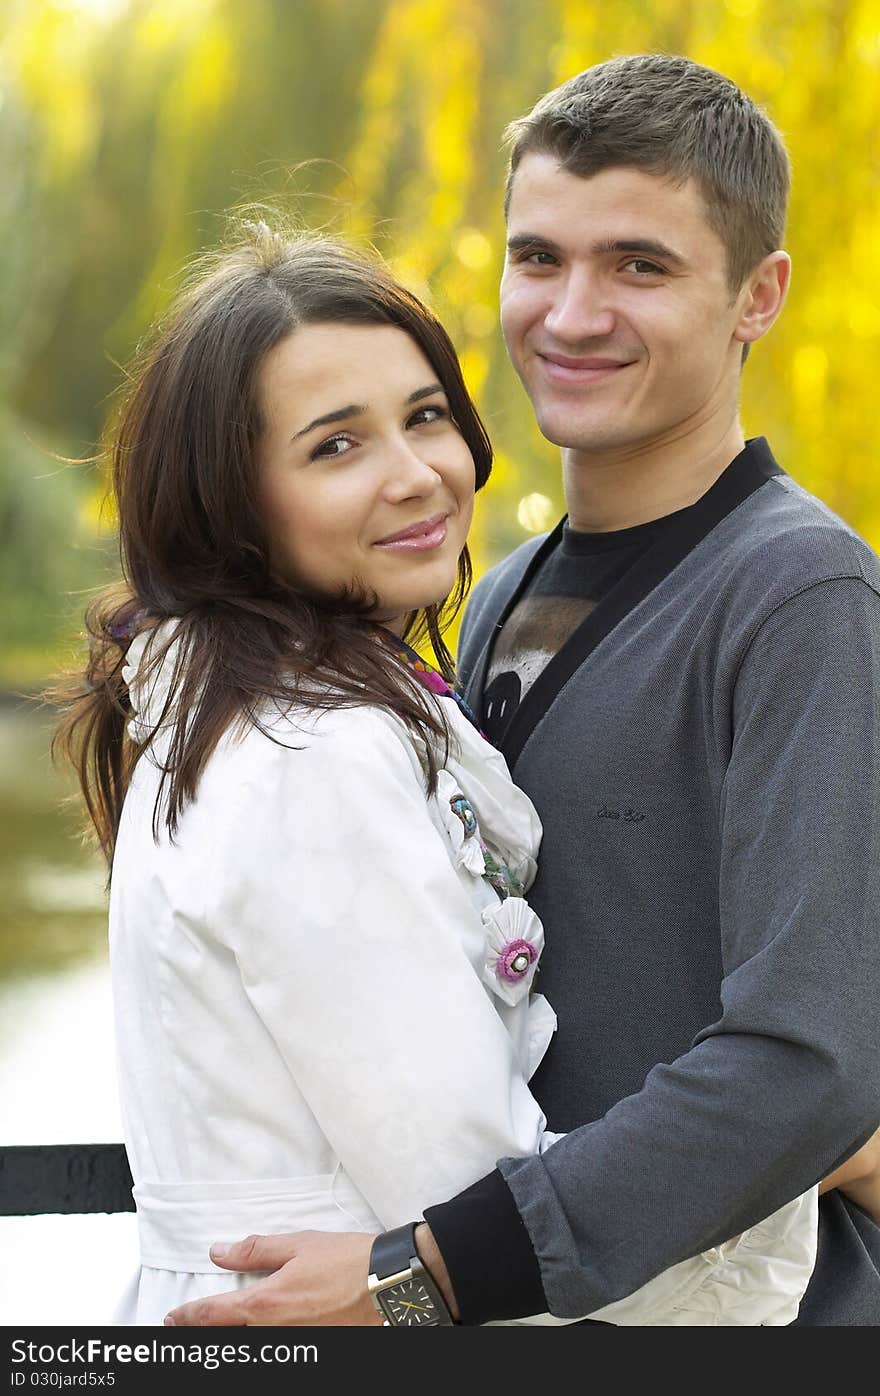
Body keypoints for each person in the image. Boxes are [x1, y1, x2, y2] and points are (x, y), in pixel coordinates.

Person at [164, 55, 880, 1329]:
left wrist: (424, 1270)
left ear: (755, 296)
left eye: (640, 267)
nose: (572, 312)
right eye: (538, 257)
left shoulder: (800, 596)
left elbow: (809, 1058)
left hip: (747, 1310)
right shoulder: (494, 593)